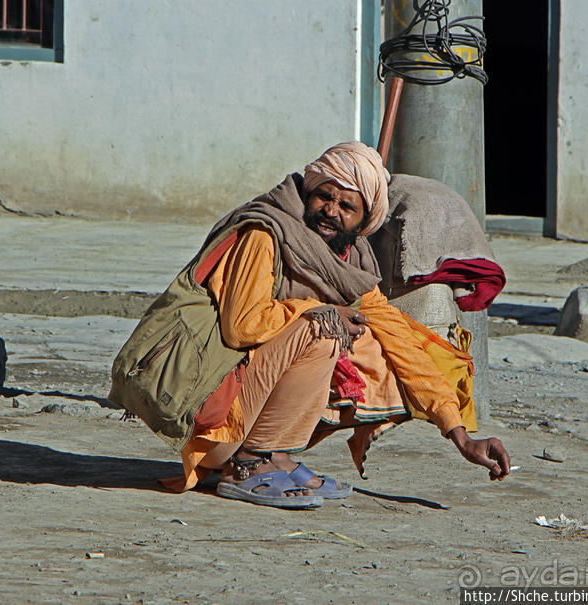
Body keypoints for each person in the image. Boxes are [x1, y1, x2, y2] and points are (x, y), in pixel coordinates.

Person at [109, 142, 510, 510]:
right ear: (308, 193)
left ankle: (274, 454)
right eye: (324, 195)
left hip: (240, 405)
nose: (330, 210)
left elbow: (401, 341)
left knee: (385, 349)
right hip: (208, 413)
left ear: (363, 218)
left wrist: (458, 434)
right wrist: (316, 310)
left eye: (345, 205)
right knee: (322, 328)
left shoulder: (347, 265)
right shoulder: (265, 233)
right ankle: (246, 462)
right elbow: (242, 327)